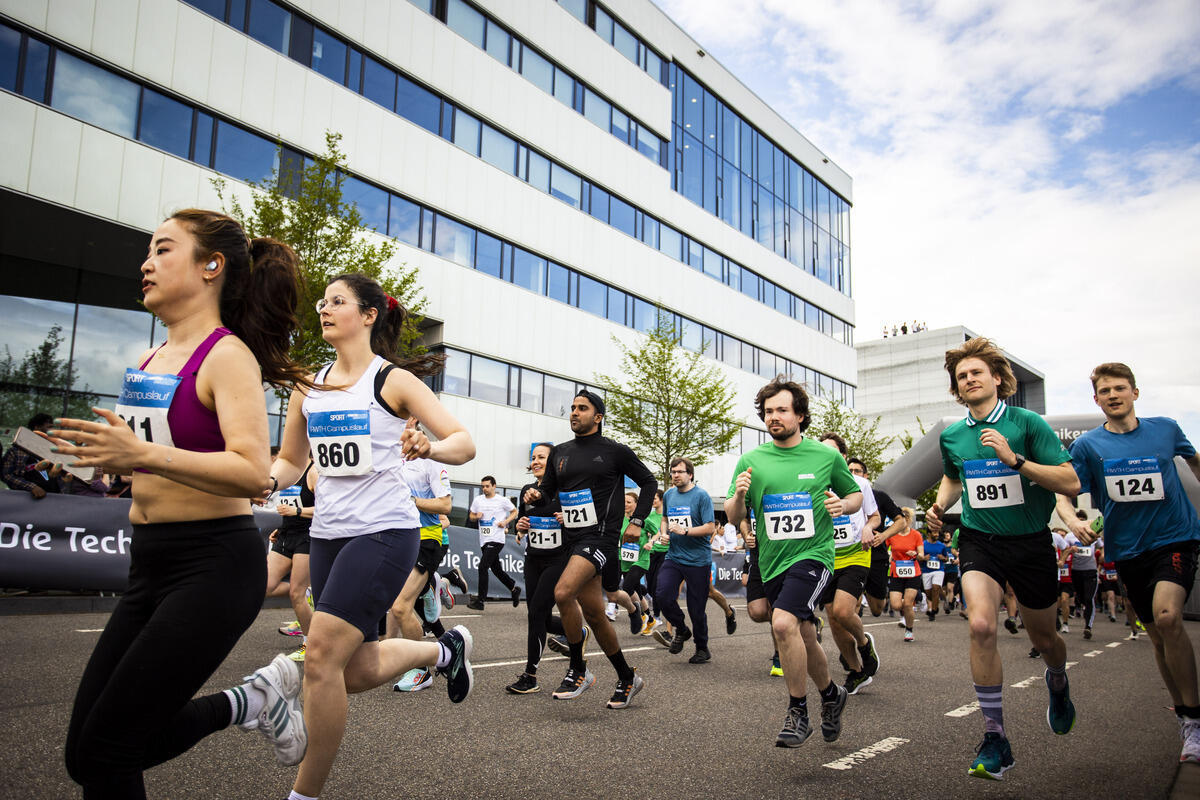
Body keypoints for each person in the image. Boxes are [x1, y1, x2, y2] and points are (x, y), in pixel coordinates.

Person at [54, 209, 313, 796]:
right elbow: (150, 456)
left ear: (211, 266)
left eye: (164, 250)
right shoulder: (147, 362)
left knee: (109, 751)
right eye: (148, 251)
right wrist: (105, 459)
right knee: (86, 753)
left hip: (212, 567)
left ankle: (252, 700)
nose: (146, 263)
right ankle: (251, 701)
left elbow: (251, 471)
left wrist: (140, 456)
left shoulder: (227, 356)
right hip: (149, 562)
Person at [264, 272, 476, 799]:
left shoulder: (392, 382)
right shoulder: (308, 385)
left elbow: (463, 442)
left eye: (338, 301)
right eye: (322, 302)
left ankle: (303, 794)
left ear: (368, 314)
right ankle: (442, 654)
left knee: (319, 658)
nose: (324, 309)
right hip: (329, 536)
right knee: (348, 672)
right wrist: (263, 481)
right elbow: (291, 459)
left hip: (386, 531)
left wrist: (429, 448)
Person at [926, 336, 1080, 781]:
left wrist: (1015, 461)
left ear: (996, 379)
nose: (969, 380)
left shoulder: (1027, 424)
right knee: (980, 624)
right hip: (980, 540)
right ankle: (995, 736)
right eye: (961, 377)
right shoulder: (953, 436)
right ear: (957, 390)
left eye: (976, 372)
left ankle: (1057, 679)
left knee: (1046, 639)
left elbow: (1069, 481)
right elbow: (954, 479)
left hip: (1031, 543)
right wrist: (939, 507)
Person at [1053, 362, 1200, 763]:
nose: (1113, 395)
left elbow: (1194, 462)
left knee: (1168, 618)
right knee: (1156, 636)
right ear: (1096, 399)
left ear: (1135, 392)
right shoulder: (1087, 447)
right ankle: (1186, 715)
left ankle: (1194, 719)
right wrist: (1071, 521)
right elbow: (1064, 492)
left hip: (1175, 538)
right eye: (1105, 391)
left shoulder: (1165, 429)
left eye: (1120, 388)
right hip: (1128, 550)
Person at [726, 376, 861, 748]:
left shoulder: (825, 456)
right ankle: (832, 694)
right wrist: (738, 497)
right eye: (768, 412)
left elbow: (854, 497)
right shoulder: (752, 460)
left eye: (781, 410)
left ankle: (797, 711)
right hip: (772, 561)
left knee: (783, 623)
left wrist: (842, 505)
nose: (774, 417)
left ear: (799, 415)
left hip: (813, 555)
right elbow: (732, 511)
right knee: (801, 633)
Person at [524, 389, 656, 709]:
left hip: (600, 538)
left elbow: (649, 482)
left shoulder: (615, 452)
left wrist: (637, 520)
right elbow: (549, 491)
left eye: (582, 408)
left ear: (597, 416)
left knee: (562, 592)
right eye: (572, 408)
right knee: (596, 615)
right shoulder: (560, 452)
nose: (574, 412)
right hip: (571, 538)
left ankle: (579, 670)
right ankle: (627, 677)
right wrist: (536, 497)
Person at [815, 434, 881, 695]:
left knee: (843, 611)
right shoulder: (814, 483)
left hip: (856, 554)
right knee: (832, 618)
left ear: (842, 456)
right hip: (826, 555)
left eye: (832, 452)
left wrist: (868, 527)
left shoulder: (860, 484)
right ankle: (856, 671)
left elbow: (875, 517)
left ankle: (864, 644)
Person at [507, 443, 571, 694]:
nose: (534, 461)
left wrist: (567, 519)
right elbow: (522, 526)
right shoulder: (527, 490)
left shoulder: (565, 489)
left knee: (536, 613)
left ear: (553, 462)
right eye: (533, 458)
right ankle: (574, 629)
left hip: (559, 558)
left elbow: (584, 520)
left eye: (541, 457)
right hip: (534, 558)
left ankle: (530, 675)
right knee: (540, 617)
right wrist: (520, 527)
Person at [389, 456, 454, 692]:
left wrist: (412, 500)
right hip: (398, 538)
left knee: (400, 606)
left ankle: (422, 669)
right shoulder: (391, 459)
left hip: (426, 538)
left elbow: (445, 506)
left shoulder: (431, 462)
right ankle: (431, 587)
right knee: (392, 605)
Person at [656, 457, 719, 664]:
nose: (675, 475)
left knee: (696, 608)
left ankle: (703, 648)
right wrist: (664, 533)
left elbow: (710, 527)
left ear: (690, 474)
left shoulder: (701, 496)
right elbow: (665, 519)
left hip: (698, 560)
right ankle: (681, 630)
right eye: (673, 472)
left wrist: (685, 530)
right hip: (674, 557)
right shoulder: (669, 495)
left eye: (680, 472)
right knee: (663, 595)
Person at [267, 459, 316, 662]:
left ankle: (311, 645)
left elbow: (326, 508)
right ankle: (309, 591)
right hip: (286, 534)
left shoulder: (313, 472)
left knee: (297, 594)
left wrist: (296, 512)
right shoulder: (287, 470)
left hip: (307, 536)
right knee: (265, 585)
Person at [468, 476, 520, 610]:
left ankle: (480, 601)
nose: (484, 488)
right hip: (484, 539)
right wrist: (476, 517)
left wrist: (506, 522)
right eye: (483, 486)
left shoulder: (501, 500)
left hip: (497, 539)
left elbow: (515, 511)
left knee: (483, 566)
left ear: (494, 486)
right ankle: (514, 589)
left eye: (487, 486)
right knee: (496, 569)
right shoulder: (478, 500)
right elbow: (471, 516)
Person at [2, 413, 62, 498]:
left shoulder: (54, 451)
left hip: (55, 500)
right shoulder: (16, 451)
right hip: (26, 502)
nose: (52, 431)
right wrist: (31, 487)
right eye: (49, 427)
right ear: (37, 428)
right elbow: (6, 475)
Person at [888, 508, 924, 642]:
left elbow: (921, 554)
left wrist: (916, 554)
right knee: (896, 605)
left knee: (908, 603)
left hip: (913, 571)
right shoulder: (892, 535)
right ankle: (907, 612)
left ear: (908, 520)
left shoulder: (916, 535)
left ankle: (909, 630)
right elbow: (883, 547)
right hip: (896, 572)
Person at [1064, 511, 1101, 640]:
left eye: (1082, 520)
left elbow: (1101, 548)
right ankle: (1081, 608)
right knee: (1081, 597)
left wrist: (1101, 556)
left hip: (1091, 571)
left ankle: (1088, 627)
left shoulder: (1093, 534)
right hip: (1076, 571)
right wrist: (1070, 550)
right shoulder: (1069, 536)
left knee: (1089, 598)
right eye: (1078, 520)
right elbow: (1064, 551)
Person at [922, 528, 949, 622]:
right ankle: (935, 605)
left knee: (936, 588)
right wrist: (923, 558)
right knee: (929, 593)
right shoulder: (923, 544)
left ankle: (933, 611)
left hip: (939, 570)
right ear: (929, 534)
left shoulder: (941, 546)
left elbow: (946, 558)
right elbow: (918, 557)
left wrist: (943, 558)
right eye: (934, 532)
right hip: (926, 571)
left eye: (937, 532)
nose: (937, 534)